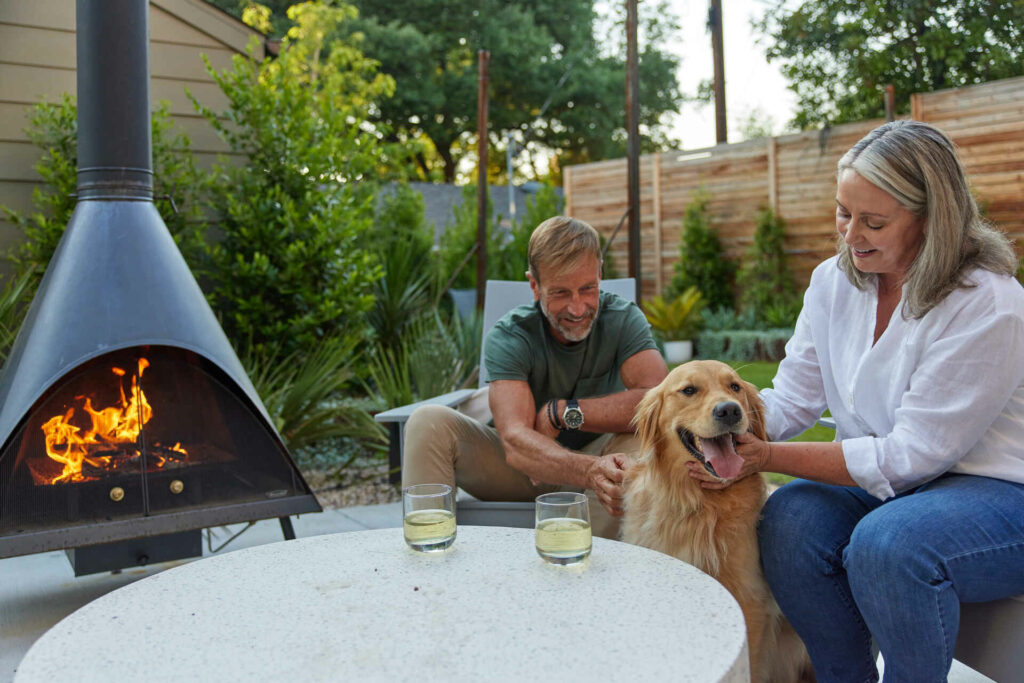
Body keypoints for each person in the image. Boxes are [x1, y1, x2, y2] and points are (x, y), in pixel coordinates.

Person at [686, 120, 1024, 681]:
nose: (850, 235)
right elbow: (792, 398)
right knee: (789, 518)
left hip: (997, 495)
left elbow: (910, 456)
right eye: (844, 213)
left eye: (874, 221)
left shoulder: (989, 304)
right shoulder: (832, 283)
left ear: (929, 219)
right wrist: (709, 430)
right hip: (899, 492)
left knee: (889, 545)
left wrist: (764, 457)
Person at [401, 216, 668, 537]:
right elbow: (515, 441)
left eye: (588, 288)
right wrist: (588, 471)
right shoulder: (510, 335)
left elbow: (657, 400)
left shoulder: (623, 318)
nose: (578, 307)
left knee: (642, 439)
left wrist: (562, 413)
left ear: (600, 273)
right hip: (523, 472)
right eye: (560, 292)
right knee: (427, 421)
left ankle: (593, 567)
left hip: (603, 463)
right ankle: (430, 566)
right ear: (534, 285)